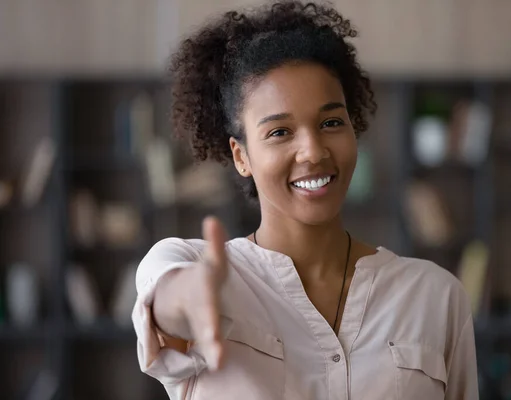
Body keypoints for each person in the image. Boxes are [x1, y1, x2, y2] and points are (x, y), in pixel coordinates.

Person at [132, 1, 479, 399]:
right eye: (279, 132)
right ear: (241, 156)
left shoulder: (435, 296)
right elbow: (167, 301)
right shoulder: (188, 266)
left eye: (331, 123)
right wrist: (191, 298)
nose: (313, 151)